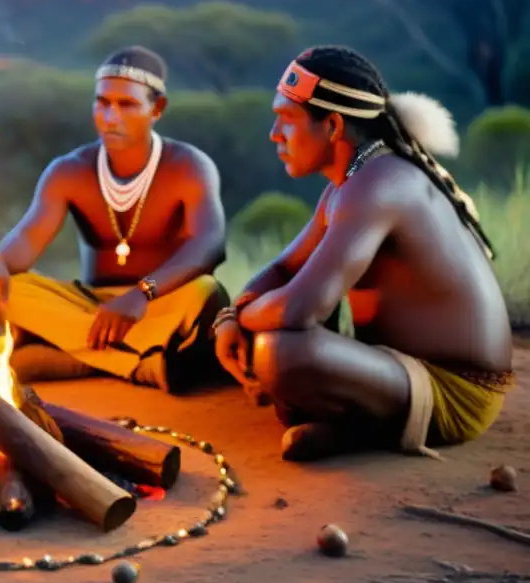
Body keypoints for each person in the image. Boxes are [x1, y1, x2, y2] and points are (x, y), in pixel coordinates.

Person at [214, 45, 514, 462]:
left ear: (333, 126)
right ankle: (354, 426)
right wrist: (232, 315)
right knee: (274, 339)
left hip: (456, 389)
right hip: (394, 369)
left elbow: (299, 310)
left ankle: (358, 429)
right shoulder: (347, 184)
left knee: (280, 351)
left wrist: (240, 319)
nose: (274, 135)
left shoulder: (379, 184)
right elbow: (284, 267)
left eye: (287, 120)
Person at [0, 46, 230, 393]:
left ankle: (66, 357)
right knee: (11, 290)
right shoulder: (69, 171)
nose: (110, 117)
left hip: (160, 303)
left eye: (126, 104)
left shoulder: (188, 166)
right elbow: (28, 237)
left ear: (157, 108)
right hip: (90, 307)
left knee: (206, 291)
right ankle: (147, 362)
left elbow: (210, 245)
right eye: (102, 102)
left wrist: (142, 294)